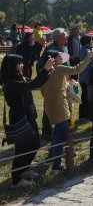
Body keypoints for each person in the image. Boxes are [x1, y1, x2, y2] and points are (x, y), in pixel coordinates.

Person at [1, 54, 54, 188]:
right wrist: (45, 70)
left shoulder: (18, 77)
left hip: (29, 117)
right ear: (11, 66)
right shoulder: (10, 82)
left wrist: (47, 73)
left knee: (35, 144)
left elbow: (34, 83)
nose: (22, 65)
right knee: (22, 149)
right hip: (20, 119)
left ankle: (24, 169)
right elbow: (31, 85)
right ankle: (16, 180)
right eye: (19, 63)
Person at [41, 50, 93, 171]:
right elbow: (77, 69)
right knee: (61, 134)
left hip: (50, 106)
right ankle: (50, 158)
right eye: (59, 57)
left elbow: (44, 91)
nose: (62, 60)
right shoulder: (58, 69)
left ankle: (56, 164)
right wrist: (88, 57)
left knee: (61, 132)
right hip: (61, 107)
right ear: (52, 60)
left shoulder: (44, 72)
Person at [78, 35, 93, 122]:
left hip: (85, 77)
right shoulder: (86, 50)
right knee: (85, 97)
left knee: (85, 97)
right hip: (85, 78)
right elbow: (92, 60)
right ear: (88, 41)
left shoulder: (86, 49)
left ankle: (85, 115)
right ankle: (83, 116)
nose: (92, 42)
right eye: (91, 40)